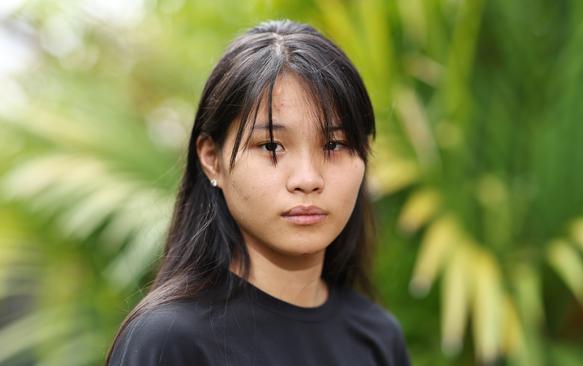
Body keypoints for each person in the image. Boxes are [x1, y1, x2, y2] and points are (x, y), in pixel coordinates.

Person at [105, 19, 411, 366]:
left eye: (334, 144)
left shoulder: (378, 338)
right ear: (211, 159)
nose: (308, 179)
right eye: (270, 145)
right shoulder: (170, 342)